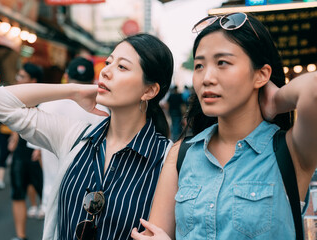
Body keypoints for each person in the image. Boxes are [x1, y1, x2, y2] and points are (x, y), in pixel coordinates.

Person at [131, 12, 317, 239]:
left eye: (222, 63)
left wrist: (277, 100)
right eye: (199, 66)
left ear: (261, 75)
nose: (206, 77)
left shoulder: (290, 151)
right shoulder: (182, 153)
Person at [0, 33, 174, 240]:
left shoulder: (168, 159)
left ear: (149, 90)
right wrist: (73, 91)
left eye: (122, 67)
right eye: (108, 63)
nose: (106, 72)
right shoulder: (75, 138)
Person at [31, 57, 108, 220]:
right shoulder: (104, 110)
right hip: (90, 201)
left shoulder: (46, 105)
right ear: (93, 79)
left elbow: (37, 154)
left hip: (53, 195)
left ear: (66, 76)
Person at [2, 62, 44, 240]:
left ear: (33, 81)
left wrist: (42, 148)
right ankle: (21, 236)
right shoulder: (16, 100)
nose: (17, 79)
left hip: (41, 155)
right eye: (18, 76)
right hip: (21, 153)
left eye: (21, 76)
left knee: (50, 197)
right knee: (18, 193)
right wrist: (14, 136)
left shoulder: (46, 101)